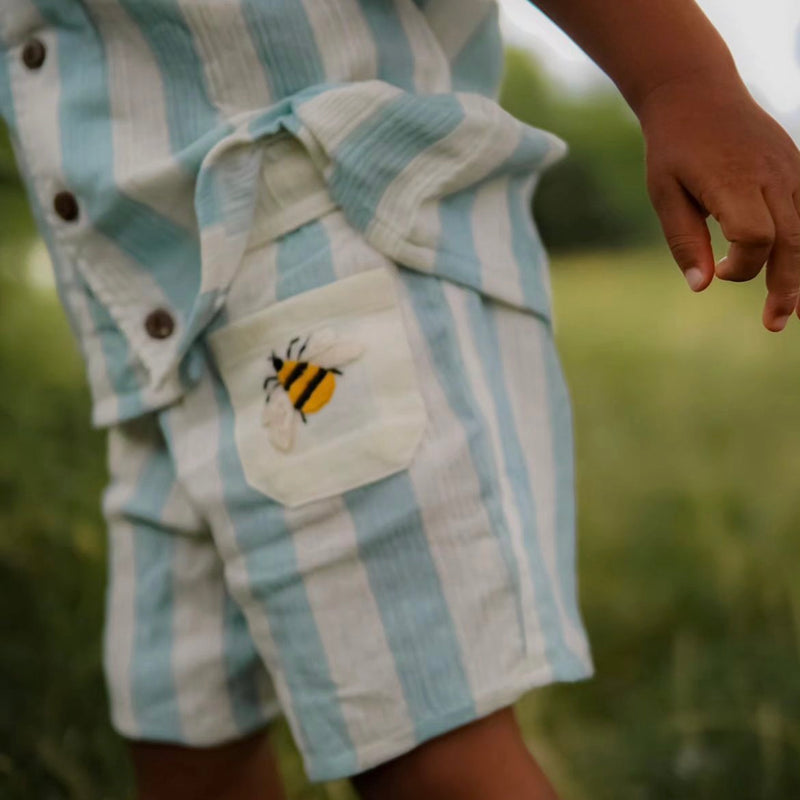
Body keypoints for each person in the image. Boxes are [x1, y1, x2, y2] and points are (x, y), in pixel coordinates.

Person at [0, 1, 797, 798]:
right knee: (185, 744)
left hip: (324, 228)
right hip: (143, 322)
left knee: (431, 754)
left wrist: (679, 78)